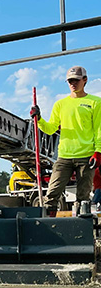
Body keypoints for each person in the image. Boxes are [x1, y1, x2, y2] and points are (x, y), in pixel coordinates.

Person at [30, 66, 101, 216]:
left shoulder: (95, 102)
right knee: (52, 193)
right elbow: (50, 129)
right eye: (70, 81)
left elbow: (99, 130)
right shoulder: (60, 104)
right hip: (64, 156)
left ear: (85, 80)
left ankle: (82, 232)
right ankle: (49, 227)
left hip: (86, 156)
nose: (73, 84)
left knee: (83, 197)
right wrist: (39, 118)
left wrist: (98, 152)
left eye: (76, 80)